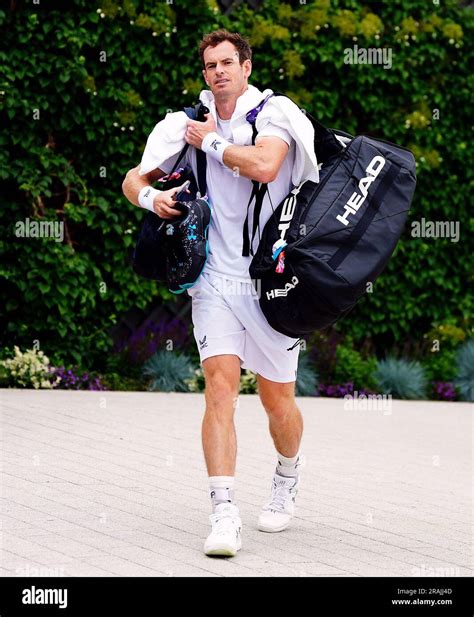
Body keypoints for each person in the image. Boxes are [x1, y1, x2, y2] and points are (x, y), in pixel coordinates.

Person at [122, 29, 305, 557]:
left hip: (271, 283)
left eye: (228, 62)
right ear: (205, 73)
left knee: (278, 404)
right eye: (210, 65)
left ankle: (288, 473)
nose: (219, 71)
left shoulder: (275, 113)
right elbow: (133, 180)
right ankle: (224, 512)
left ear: (246, 67)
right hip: (213, 282)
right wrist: (152, 198)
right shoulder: (183, 124)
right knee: (220, 388)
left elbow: (266, 165)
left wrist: (216, 145)